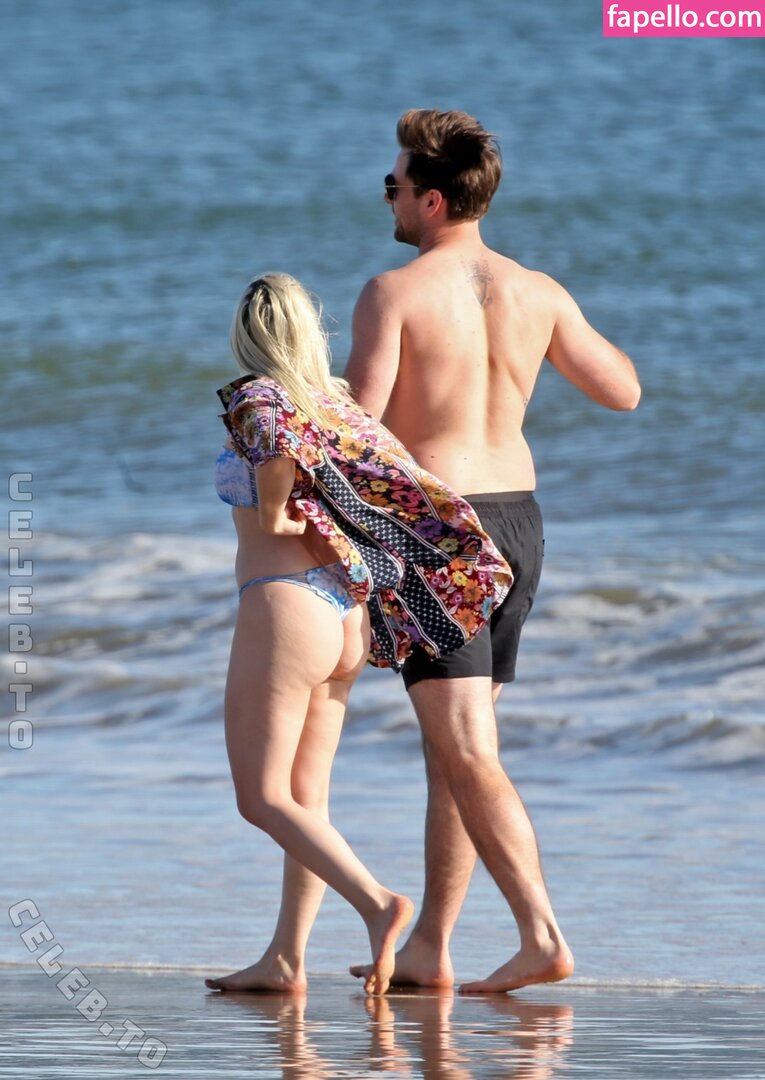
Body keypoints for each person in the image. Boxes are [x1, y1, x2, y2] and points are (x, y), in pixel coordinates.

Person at [345, 109, 641, 993]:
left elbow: (359, 434)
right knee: (456, 746)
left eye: (394, 185)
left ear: (432, 200)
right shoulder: (537, 290)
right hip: (517, 524)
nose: (389, 199)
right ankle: (432, 945)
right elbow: (622, 391)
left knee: (466, 746)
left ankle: (541, 935)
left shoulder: (393, 293)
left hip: (440, 532)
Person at [205, 272, 513, 995]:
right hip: (344, 611)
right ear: (310, 331)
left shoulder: (260, 399)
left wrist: (284, 517)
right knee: (304, 798)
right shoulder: (337, 403)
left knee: (261, 798)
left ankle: (377, 903)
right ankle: (286, 958)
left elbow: (277, 507)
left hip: (285, 607)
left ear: (248, 333)